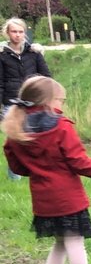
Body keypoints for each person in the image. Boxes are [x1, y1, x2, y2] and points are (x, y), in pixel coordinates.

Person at [3, 75, 91, 264]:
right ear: (49, 101)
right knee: (75, 244)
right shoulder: (61, 127)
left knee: (61, 243)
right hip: (67, 200)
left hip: (42, 201)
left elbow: (17, 168)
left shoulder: (16, 130)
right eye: (60, 100)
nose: (62, 105)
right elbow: (79, 162)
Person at [2, 17, 52, 180]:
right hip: (12, 101)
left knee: (37, 137)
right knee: (15, 139)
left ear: (25, 33)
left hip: (34, 100)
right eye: (14, 32)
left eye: (20, 32)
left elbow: (46, 76)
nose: (17, 35)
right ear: (7, 33)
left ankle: (38, 172)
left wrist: (48, 97)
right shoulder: (2, 56)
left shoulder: (34, 53)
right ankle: (15, 176)